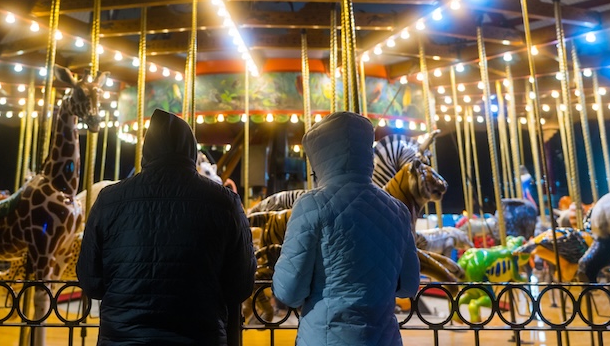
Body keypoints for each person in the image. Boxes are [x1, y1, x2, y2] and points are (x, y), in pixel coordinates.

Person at [77, 108, 256, 346]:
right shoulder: (224, 202)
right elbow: (241, 284)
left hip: (122, 338)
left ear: (147, 150)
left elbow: (90, 281)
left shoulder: (109, 200)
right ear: (191, 149)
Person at [273, 112, 420, 346]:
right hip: (384, 338)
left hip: (325, 336)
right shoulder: (398, 210)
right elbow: (409, 285)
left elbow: (289, 291)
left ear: (321, 159)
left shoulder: (311, 205)